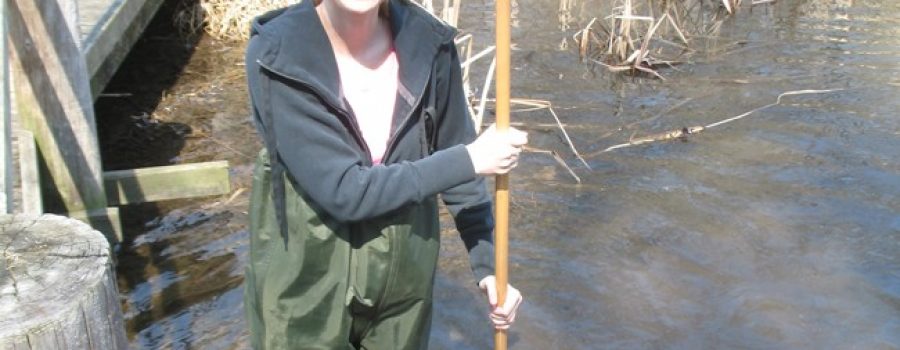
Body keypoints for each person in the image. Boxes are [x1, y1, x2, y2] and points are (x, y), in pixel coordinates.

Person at [243, 0, 527, 348]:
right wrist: (470, 159)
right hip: (307, 280)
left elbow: (459, 164)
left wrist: (488, 268)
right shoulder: (276, 56)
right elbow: (346, 192)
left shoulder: (430, 45)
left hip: (404, 278)